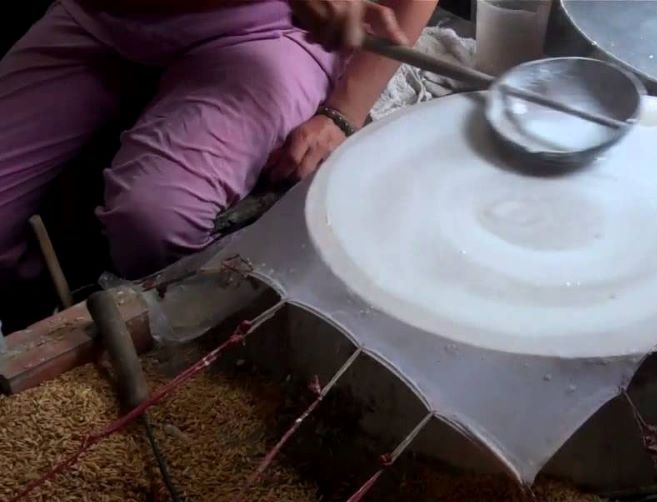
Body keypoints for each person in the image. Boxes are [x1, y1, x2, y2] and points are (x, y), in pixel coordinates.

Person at [0, 0, 437, 332]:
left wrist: (344, 111)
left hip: (270, 29)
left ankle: (168, 332)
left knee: (155, 220)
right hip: (109, 13)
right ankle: (45, 322)